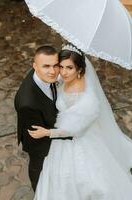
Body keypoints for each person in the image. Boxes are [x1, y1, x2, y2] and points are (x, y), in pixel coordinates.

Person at [29, 43, 132, 199]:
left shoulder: (88, 100)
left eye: (69, 68)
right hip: (61, 144)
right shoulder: (64, 80)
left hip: (80, 141)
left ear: (80, 70)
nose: (63, 72)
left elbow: (74, 130)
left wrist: (47, 132)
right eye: (61, 67)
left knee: (89, 182)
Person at [14, 45, 60, 191]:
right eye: (46, 66)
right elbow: (38, 140)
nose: (53, 71)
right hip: (38, 142)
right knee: (38, 169)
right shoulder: (28, 103)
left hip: (46, 124)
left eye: (55, 65)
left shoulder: (44, 75)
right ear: (35, 66)